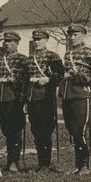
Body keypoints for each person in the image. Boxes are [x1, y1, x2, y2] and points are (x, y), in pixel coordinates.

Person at [60, 23, 91, 175]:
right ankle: (77, 165)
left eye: (75, 35)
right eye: (70, 35)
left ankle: (85, 165)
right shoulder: (67, 54)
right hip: (68, 96)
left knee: (79, 131)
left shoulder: (90, 53)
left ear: (83, 36)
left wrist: (78, 76)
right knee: (71, 130)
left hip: (81, 96)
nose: (72, 38)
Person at [24, 29, 65, 172]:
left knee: (45, 130)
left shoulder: (53, 57)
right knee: (35, 130)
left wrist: (48, 79)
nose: (37, 42)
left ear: (46, 40)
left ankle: (46, 163)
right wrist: (25, 101)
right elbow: (25, 80)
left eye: (40, 39)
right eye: (35, 40)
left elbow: (60, 75)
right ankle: (41, 162)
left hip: (46, 98)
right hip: (32, 98)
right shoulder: (28, 59)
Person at [0, 31, 28, 173]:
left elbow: (25, 81)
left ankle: (13, 161)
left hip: (14, 98)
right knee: (6, 130)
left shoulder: (23, 59)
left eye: (11, 42)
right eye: (6, 42)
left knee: (15, 131)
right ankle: (9, 161)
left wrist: (17, 85)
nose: (7, 44)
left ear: (17, 43)